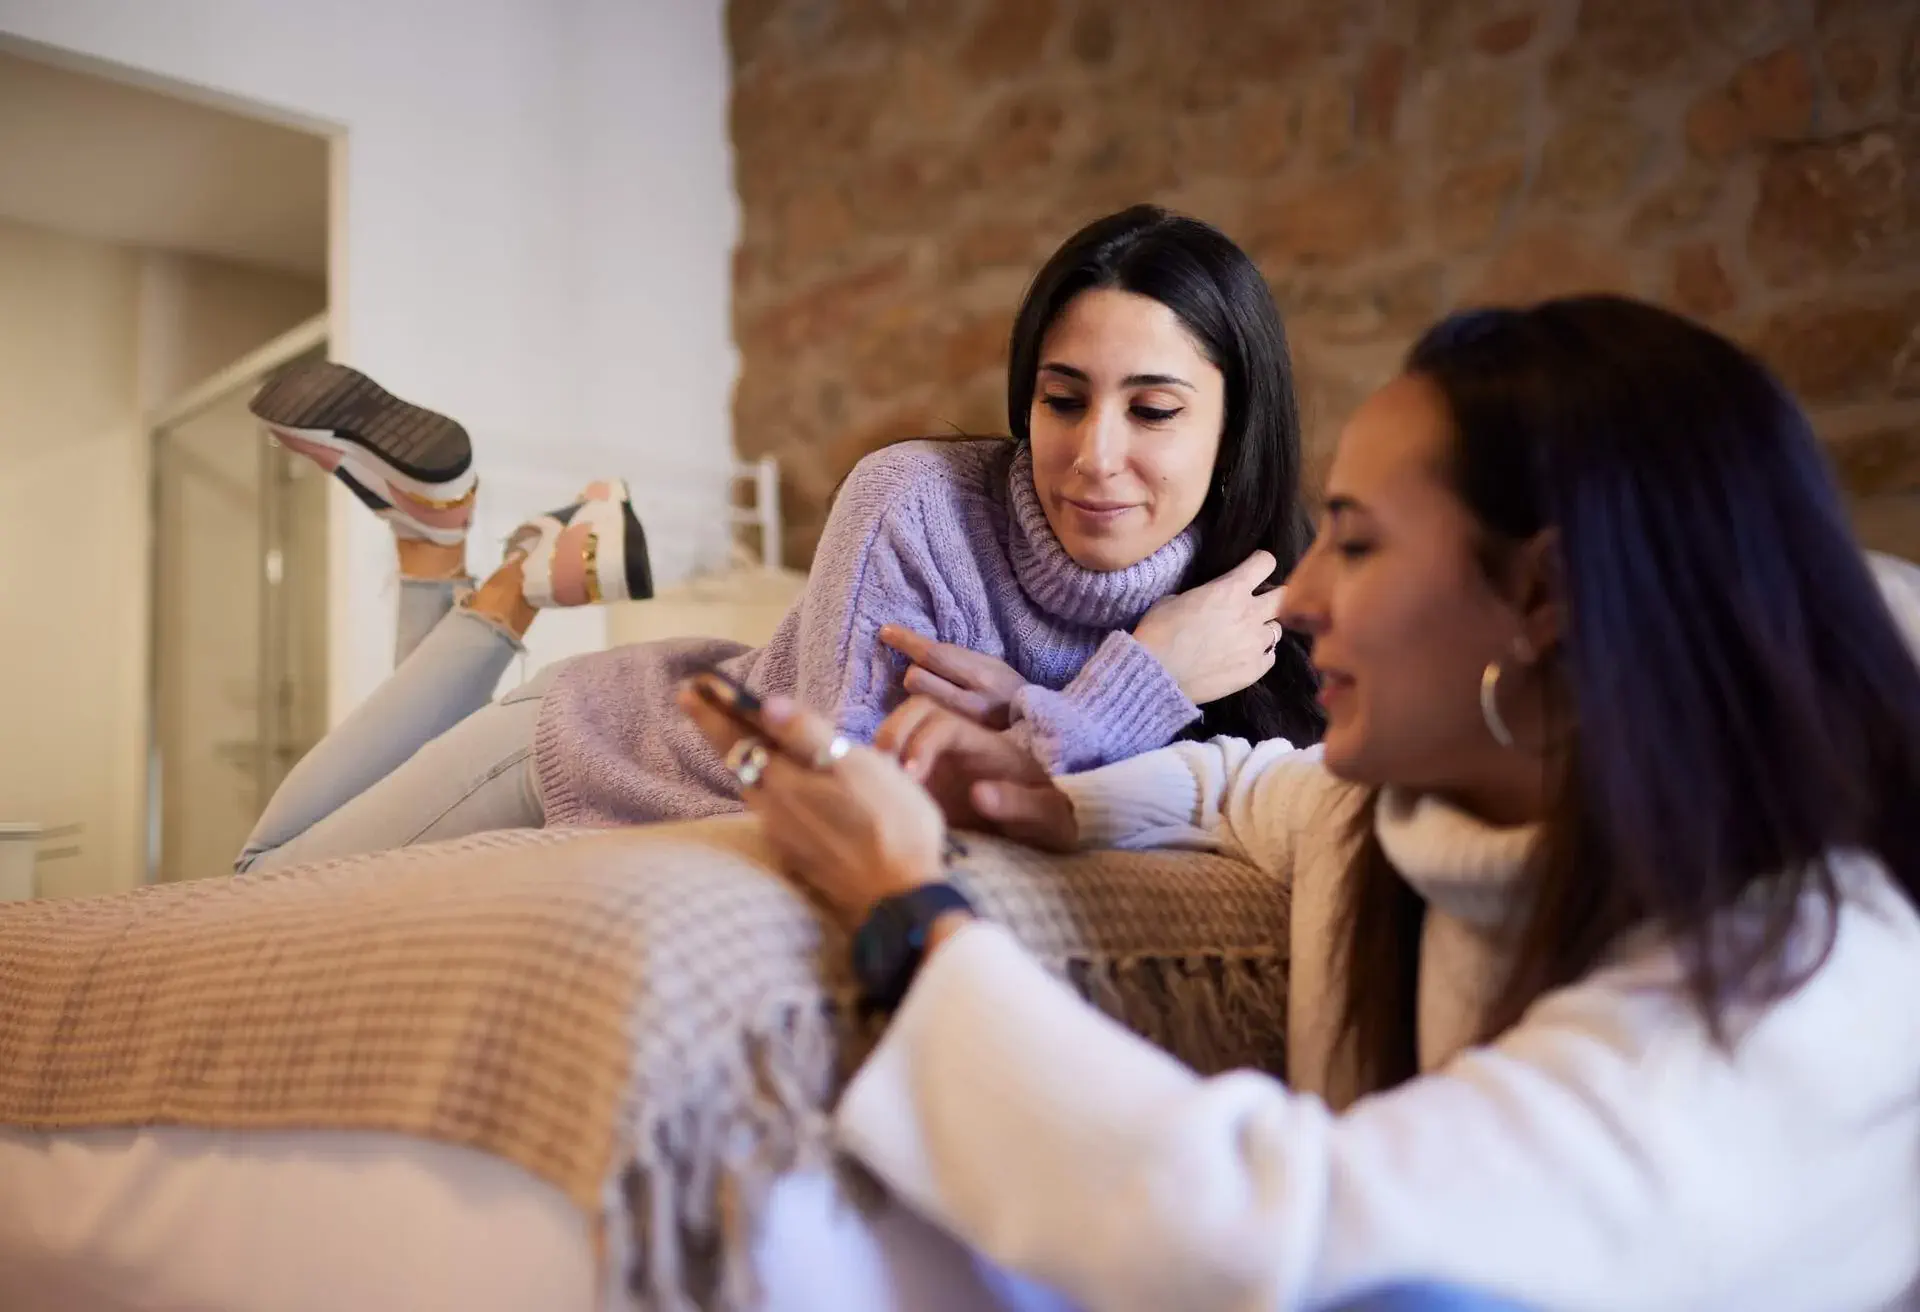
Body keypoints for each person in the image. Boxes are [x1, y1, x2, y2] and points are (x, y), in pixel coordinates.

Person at [681, 296, 1920, 1311]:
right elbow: (1249, 782)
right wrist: (1061, 802)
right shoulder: (1393, 820)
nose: (1302, 597)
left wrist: (907, 905)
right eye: (1063, 398)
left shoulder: (1793, 988)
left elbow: (1284, 1243)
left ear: (1542, 600)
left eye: (1359, 544)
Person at [233, 204, 1325, 872]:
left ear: (1236, 428)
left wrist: (1041, 706)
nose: (1094, 454)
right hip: (598, 749)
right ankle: (501, 586)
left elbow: (1255, 809)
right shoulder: (915, 504)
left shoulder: (1256, 616)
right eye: (1063, 399)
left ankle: (448, 557)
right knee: (266, 878)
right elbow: (835, 797)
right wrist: (1138, 682)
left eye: (1154, 410)